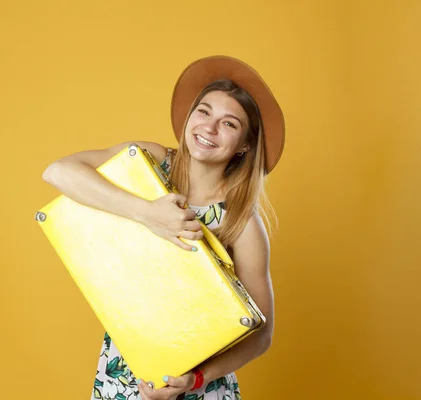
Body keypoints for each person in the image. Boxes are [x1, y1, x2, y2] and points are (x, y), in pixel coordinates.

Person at [42, 56, 285, 400]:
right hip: (128, 367)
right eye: (204, 112)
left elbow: (261, 334)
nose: (210, 128)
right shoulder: (148, 164)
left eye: (229, 124)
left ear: (245, 145)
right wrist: (147, 213)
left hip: (198, 382)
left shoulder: (241, 221)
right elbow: (58, 172)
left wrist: (195, 380)